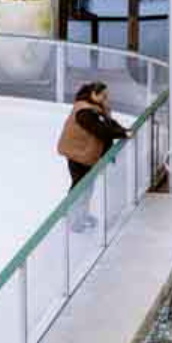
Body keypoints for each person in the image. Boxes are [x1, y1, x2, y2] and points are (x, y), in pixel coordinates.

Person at [58, 83, 128, 232]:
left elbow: (109, 124)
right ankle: (74, 219)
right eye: (103, 96)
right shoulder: (84, 112)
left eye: (107, 96)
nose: (106, 99)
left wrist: (123, 130)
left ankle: (80, 214)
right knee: (81, 187)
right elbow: (101, 130)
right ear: (93, 94)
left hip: (85, 154)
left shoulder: (96, 108)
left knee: (86, 187)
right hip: (78, 155)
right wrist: (122, 133)